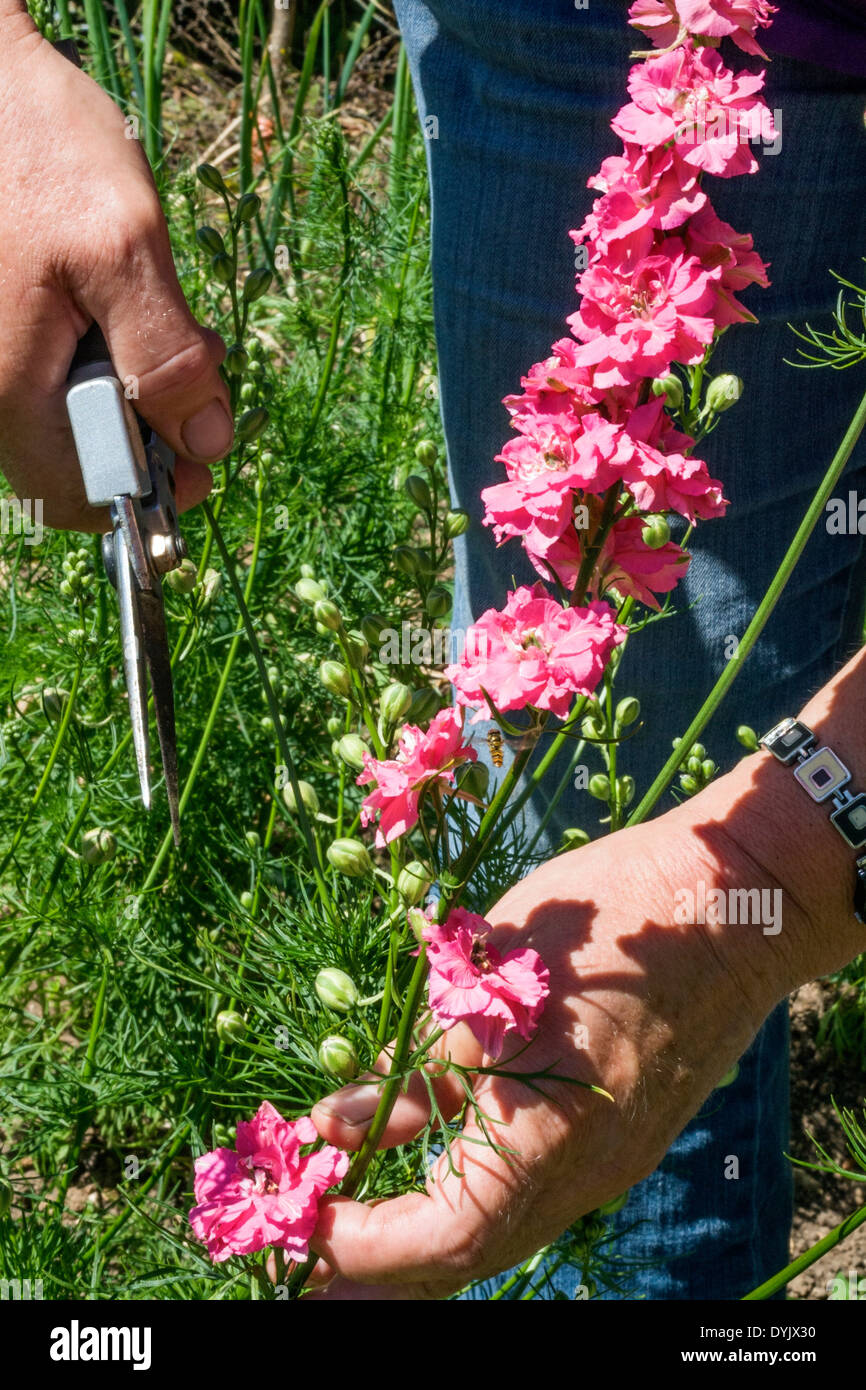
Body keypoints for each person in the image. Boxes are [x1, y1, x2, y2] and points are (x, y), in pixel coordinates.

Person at [1, 0, 865, 1301]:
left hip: (795, 46)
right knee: (573, 866)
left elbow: (718, 905)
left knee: (663, 937)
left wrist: (764, 878)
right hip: (550, 33)